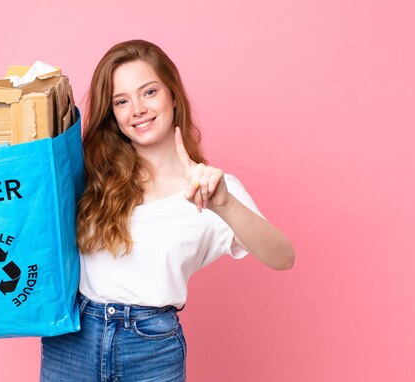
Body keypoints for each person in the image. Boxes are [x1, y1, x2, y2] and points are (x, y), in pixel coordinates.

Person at [39, 40, 295, 382]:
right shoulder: (90, 175)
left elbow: (283, 256)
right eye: (122, 101)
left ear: (172, 95)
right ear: (113, 113)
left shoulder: (213, 188)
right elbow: (30, 227)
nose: (137, 109)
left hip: (151, 346)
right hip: (74, 338)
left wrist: (225, 205)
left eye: (148, 92)